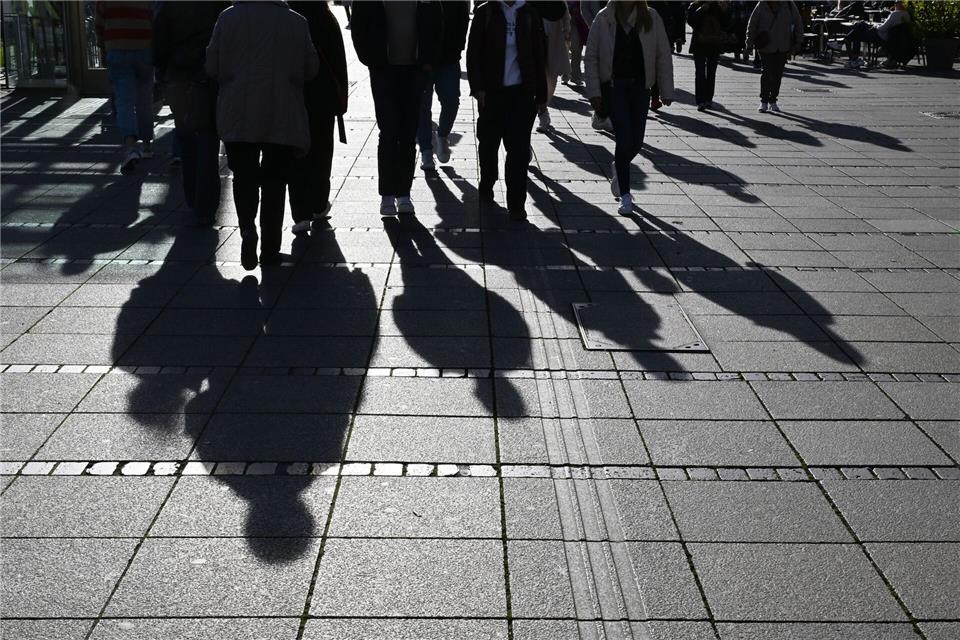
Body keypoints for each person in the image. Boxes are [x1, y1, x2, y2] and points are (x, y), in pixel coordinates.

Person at [205, 1, 318, 270]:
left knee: (243, 175)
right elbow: (310, 69)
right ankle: (270, 248)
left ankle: (247, 229)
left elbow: (212, 66)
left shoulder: (228, 18)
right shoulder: (296, 21)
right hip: (281, 112)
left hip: (238, 112)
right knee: (275, 181)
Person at [584, 0, 674, 215]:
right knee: (624, 137)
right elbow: (591, 57)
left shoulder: (651, 17)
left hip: (641, 88)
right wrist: (594, 92)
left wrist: (666, 89)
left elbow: (663, 54)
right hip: (614, 88)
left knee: (636, 141)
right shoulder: (604, 18)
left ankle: (619, 164)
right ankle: (625, 195)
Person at [352, 1, 441, 216]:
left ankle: (403, 194)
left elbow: (437, 23)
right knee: (388, 132)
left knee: (408, 134)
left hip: (415, 70)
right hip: (383, 70)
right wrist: (371, 59)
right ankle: (387, 195)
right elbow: (359, 26)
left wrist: (429, 60)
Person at [466, 0, 547, 220]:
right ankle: (487, 181)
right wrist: (478, 88)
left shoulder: (528, 13)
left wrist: (541, 95)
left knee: (519, 151)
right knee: (488, 144)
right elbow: (473, 53)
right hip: (492, 93)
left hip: (521, 94)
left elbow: (539, 55)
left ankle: (517, 204)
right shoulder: (486, 12)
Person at [153, 1, 227, 226]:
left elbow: (159, 40)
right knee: (208, 137)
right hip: (208, 76)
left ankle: (193, 197)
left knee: (186, 136)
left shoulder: (170, 4)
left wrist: (162, 70)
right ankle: (206, 204)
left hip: (179, 75)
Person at [289, 1, 348, 233]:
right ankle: (319, 203)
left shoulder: (290, 17)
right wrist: (341, 99)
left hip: (294, 95)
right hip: (323, 97)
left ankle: (300, 213)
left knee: (296, 153)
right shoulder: (326, 18)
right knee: (322, 151)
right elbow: (339, 61)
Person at [95, 1, 155, 173]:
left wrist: (103, 47)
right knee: (145, 99)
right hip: (144, 49)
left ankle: (130, 146)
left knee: (124, 101)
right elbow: (154, 20)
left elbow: (99, 25)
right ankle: (147, 144)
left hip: (117, 50)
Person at [419, 0, 469, 171]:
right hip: (422, 60)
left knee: (451, 101)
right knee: (422, 107)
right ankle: (426, 150)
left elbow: (463, 19)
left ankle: (442, 136)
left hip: (449, 59)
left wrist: (457, 49)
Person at [745, 0, 803, 113]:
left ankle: (773, 100)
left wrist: (798, 41)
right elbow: (752, 24)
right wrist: (749, 43)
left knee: (777, 74)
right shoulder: (762, 4)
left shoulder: (789, 4)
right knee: (766, 73)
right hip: (765, 46)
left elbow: (798, 22)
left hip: (783, 45)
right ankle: (764, 101)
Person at [829, 1, 910, 69]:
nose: (895, 4)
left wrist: (876, 25)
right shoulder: (906, 14)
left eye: (896, 2)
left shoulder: (895, 14)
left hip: (881, 36)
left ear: (901, 4)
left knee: (859, 28)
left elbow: (882, 28)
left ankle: (846, 48)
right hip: (888, 37)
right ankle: (851, 56)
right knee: (859, 28)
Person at [687, 1, 733, 111]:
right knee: (700, 72)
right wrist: (701, 10)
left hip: (714, 44)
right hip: (699, 43)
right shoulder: (696, 5)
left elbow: (728, 24)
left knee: (711, 73)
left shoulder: (719, 6)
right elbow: (691, 21)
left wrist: (725, 11)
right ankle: (700, 101)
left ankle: (708, 99)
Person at [538, 1, 571, 132]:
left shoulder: (560, 4)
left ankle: (543, 109)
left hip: (555, 42)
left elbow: (566, 17)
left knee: (552, 76)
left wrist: (566, 33)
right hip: (535, 43)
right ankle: (542, 112)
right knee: (540, 78)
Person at [565, 1, 589, 85]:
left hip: (577, 22)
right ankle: (566, 75)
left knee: (576, 50)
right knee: (565, 50)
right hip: (565, 20)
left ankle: (575, 76)